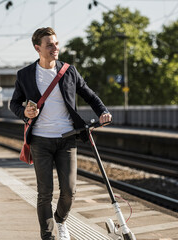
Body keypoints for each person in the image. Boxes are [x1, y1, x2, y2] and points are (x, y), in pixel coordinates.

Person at [10, 27, 112, 240]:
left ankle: (61, 220)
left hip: (67, 139)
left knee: (69, 191)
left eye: (56, 43)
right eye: (49, 45)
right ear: (38, 48)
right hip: (40, 140)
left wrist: (103, 111)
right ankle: (48, 236)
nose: (55, 48)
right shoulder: (25, 75)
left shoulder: (69, 71)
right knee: (44, 193)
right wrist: (25, 112)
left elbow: (90, 95)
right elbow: (14, 103)